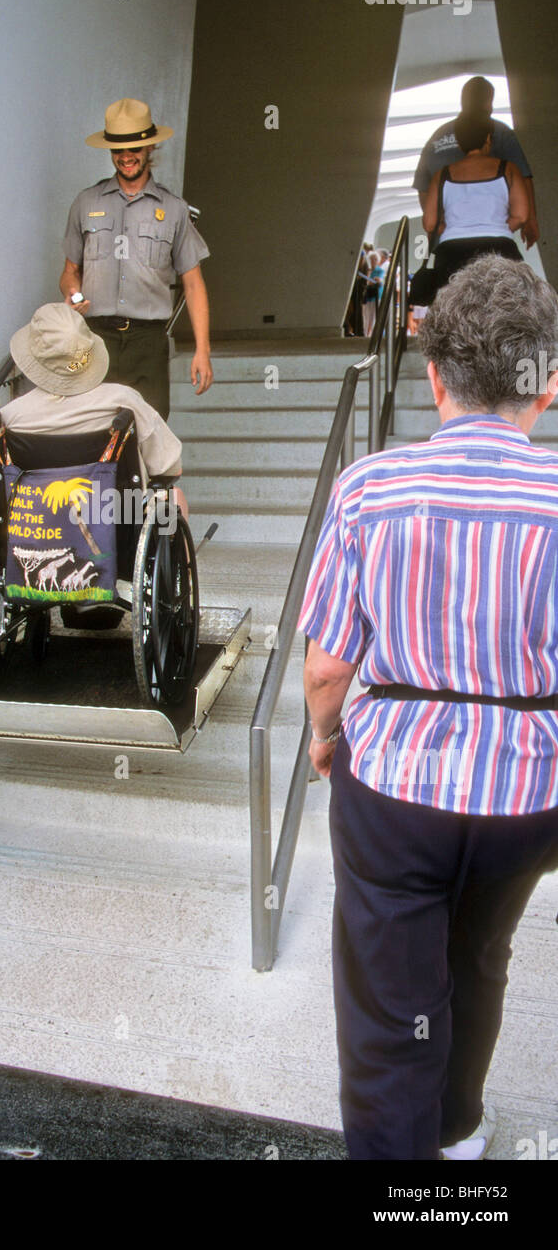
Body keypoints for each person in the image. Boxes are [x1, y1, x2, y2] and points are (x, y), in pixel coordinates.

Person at [299, 254, 558, 1161]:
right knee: (478, 955)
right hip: (529, 797)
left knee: (388, 1002)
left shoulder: (369, 488)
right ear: (547, 384)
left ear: (433, 376)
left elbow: (327, 666)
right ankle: (456, 1130)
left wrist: (325, 738)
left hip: (393, 788)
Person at [60, 98, 212, 419]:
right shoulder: (86, 202)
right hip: (96, 339)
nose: (126, 156)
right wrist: (72, 294)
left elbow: (194, 284)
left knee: (150, 429)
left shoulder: (174, 209)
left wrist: (203, 349)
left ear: (150, 148)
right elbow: (70, 271)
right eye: (118, 149)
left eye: (135, 148)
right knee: (94, 429)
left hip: (148, 342)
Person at [0, 301, 185, 507]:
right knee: (174, 497)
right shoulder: (123, 402)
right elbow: (170, 467)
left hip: (34, 516)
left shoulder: (9, 416)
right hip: (114, 513)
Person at [410, 114, 528, 309]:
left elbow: (430, 223)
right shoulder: (508, 169)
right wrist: (496, 227)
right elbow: (521, 215)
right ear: (488, 138)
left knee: (455, 311)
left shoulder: (442, 175)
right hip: (500, 248)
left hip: (452, 252)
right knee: (505, 310)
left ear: (459, 142)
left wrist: (452, 228)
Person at [413, 76, 539, 248]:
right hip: (495, 242)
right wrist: (530, 221)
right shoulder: (499, 132)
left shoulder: (438, 136)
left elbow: (423, 187)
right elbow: (523, 179)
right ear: (489, 103)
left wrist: (441, 227)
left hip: (450, 240)